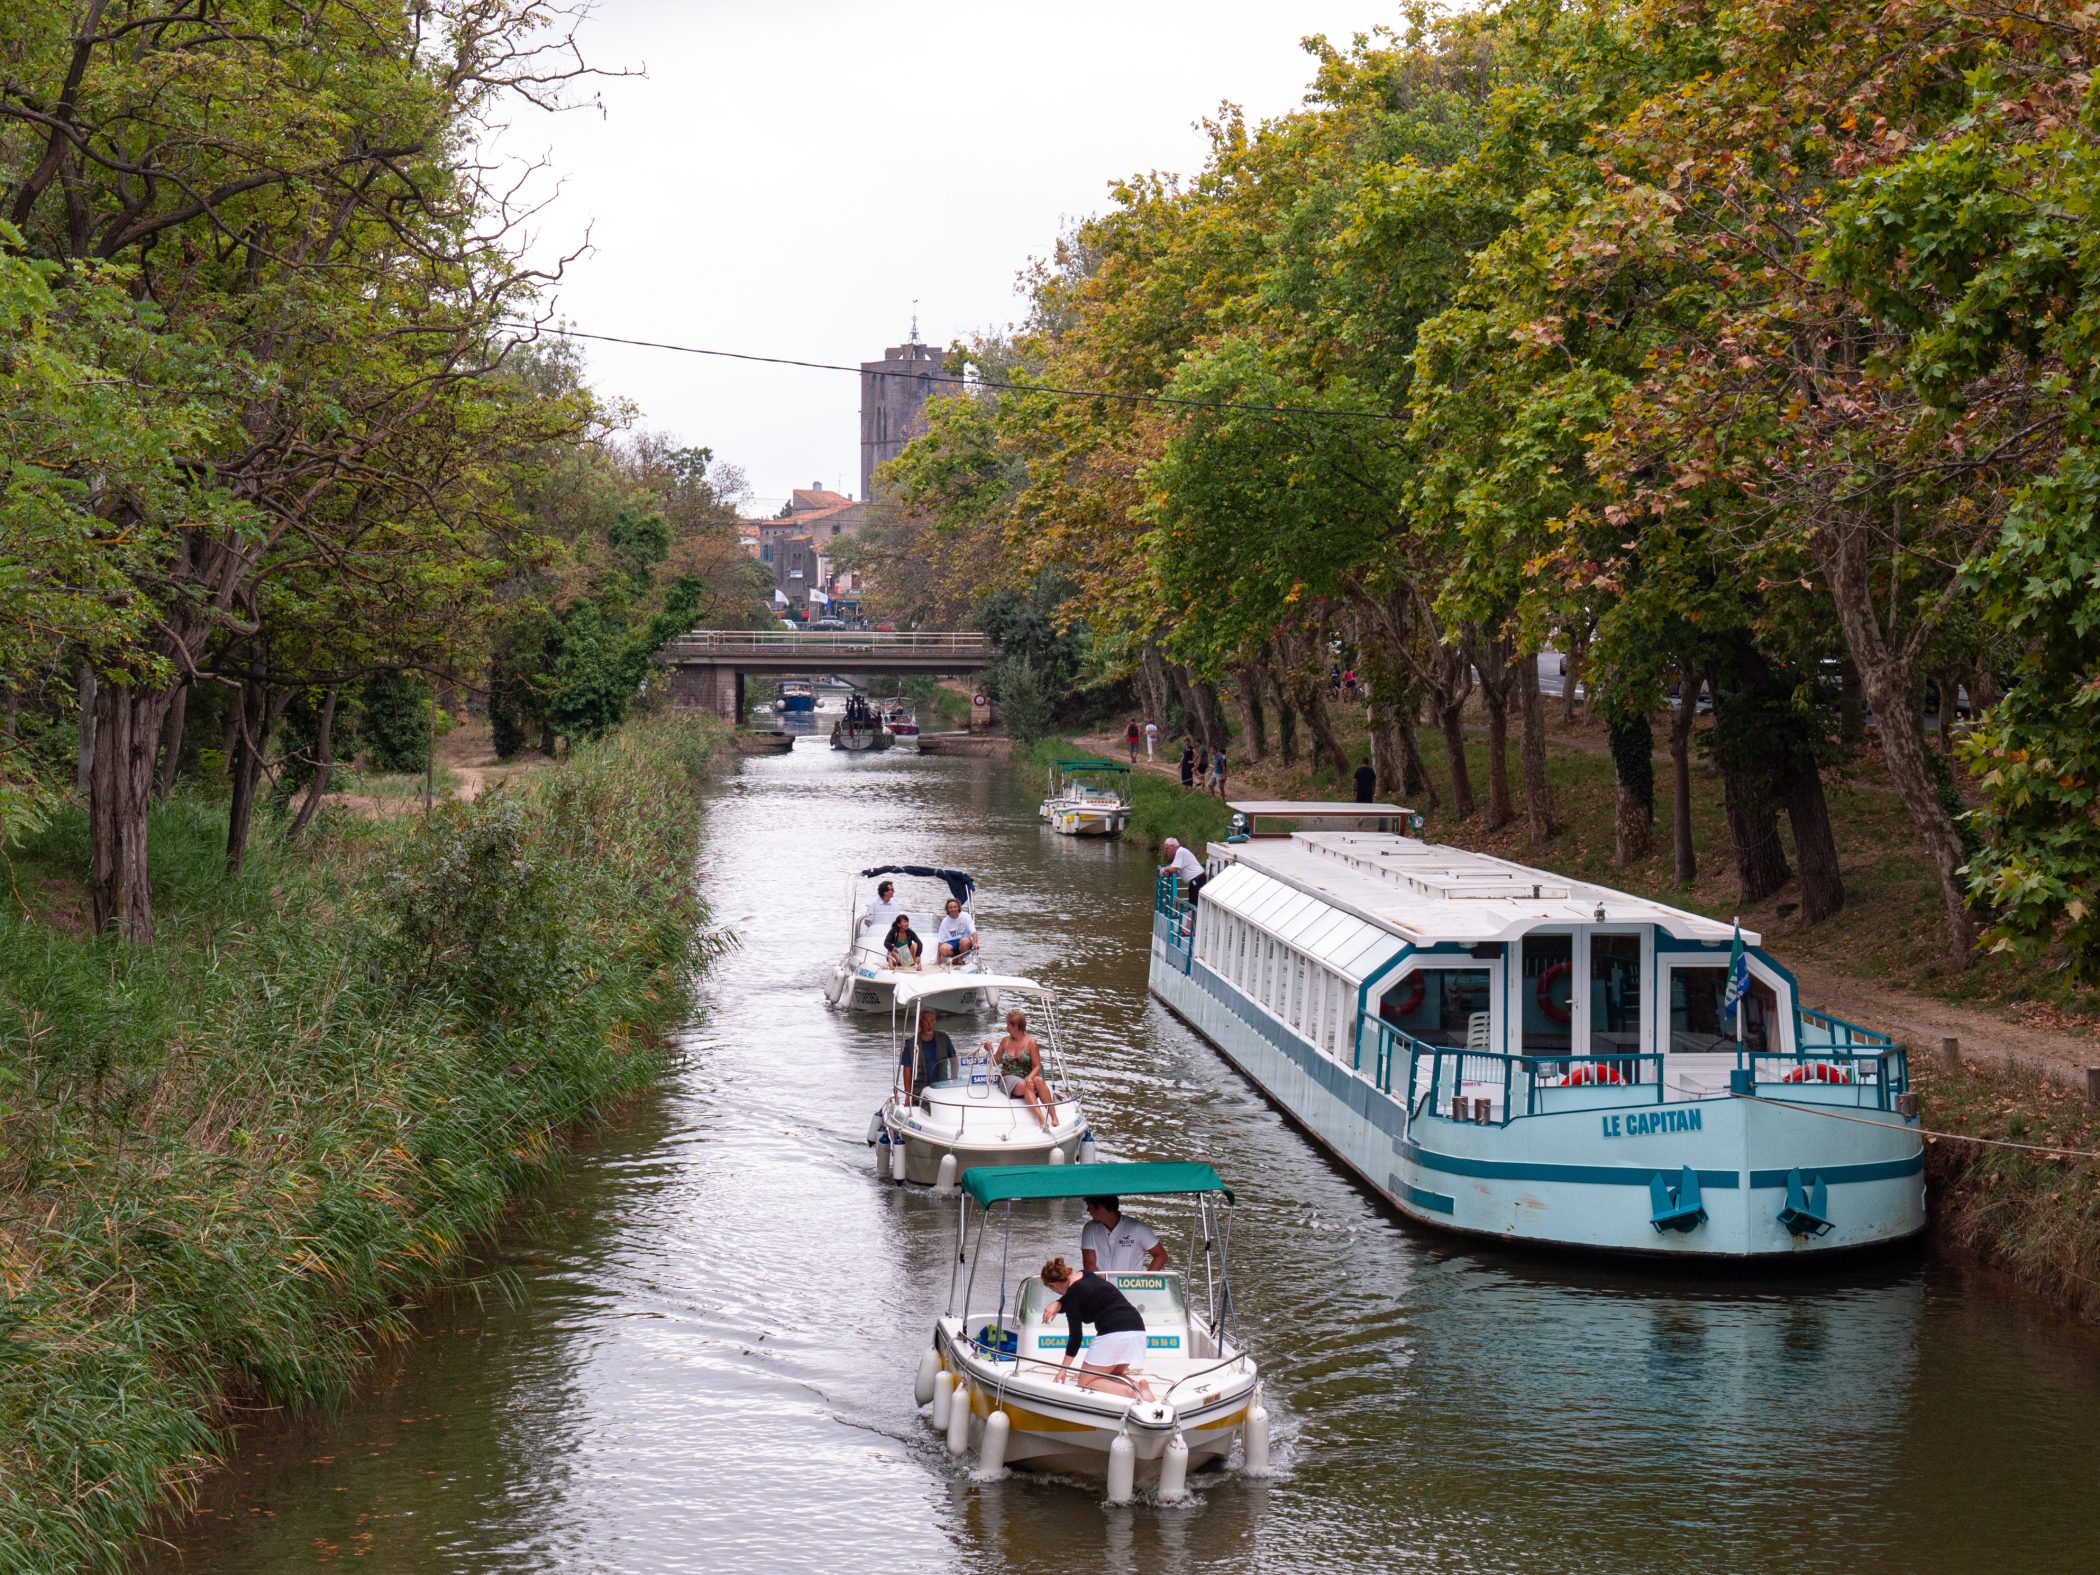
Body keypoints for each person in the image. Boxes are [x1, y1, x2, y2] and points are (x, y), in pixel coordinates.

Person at [1039, 1256, 1156, 1400]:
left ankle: (1131, 1393)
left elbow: (1076, 1336)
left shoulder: (1072, 1295)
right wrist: (1059, 1302)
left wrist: (1063, 1370)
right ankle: (1140, 1387)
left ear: (1053, 1285)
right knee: (1109, 1374)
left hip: (1114, 1332)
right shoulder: (1086, 1274)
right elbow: (1081, 1296)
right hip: (1136, 1328)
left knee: (1086, 1381)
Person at [983, 1009, 1054, 1131]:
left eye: (1008, 1025)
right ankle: (1041, 1120)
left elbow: (1037, 1066)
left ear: (1016, 1027)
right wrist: (989, 1050)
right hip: (1007, 1078)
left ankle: (1054, 1117)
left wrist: (1030, 1077)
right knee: (1027, 1085)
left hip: (1026, 1077)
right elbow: (996, 1061)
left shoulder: (1031, 1043)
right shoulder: (1005, 1041)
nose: (1006, 1028)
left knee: (1039, 1081)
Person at [1081, 1196, 1168, 1273]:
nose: (1088, 1209)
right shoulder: (1090, 1228)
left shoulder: (1137, 1228)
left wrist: (1145, 1281)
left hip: (1132, 1288)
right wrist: (1103, 1288)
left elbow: (1160, 1255)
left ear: (1101, 1207)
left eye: (1090, 1206)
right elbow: (1089, 1265)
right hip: (1102, 1289)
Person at [901, 1009, 956, 1099]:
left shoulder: (944, 1038)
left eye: (932, 1022)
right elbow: (907, 1071)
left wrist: (954, 1080)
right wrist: (908, 1096)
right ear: (920, 1024)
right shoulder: (911, 1044)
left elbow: (954, 1060)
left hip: (942, 1089)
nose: (929, 1026)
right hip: (920, 1092)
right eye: (926, 1022)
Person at [1159, 837, 1207, 902]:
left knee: (1194, 905)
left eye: (1167, 848)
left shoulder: (1180, 852)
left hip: (1197, 880)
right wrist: (1168, 870)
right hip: (1196, 879)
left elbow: (1174, 869)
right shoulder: (1180, 852)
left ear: (1172, 847)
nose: (1166, 850)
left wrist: (1165, 869)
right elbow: (1173, 867)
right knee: (1192, 905)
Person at [935, 896, 978, 964]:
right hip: (952, 942)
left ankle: (961, 958)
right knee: (943, 949)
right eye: (951, 907)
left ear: (958, 908)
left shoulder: (965, 916)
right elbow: (940, 940)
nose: (953, 909)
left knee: (964, 941)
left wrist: (975, 943)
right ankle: (955, 957)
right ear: (948, 909)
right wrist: (938, 957)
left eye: (955, 907)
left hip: (964, 941)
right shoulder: (945, 921)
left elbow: (973, 932)